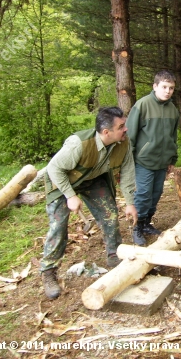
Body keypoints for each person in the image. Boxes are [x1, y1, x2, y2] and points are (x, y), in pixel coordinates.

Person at [40, 106, 138, 300]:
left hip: (93, 179)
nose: (125, 129)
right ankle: (48, 271)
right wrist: (70, 195)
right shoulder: (79, 144)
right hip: (63, 180)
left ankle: (114, 255)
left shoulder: (123, 143)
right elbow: (54, 168)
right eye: (121, 126)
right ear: (106, 132)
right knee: (59, 225)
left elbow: (127, 174)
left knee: (110, 215)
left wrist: (130, 203)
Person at [126, 70, 180, 246]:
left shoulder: (173, 110)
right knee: (143, 194)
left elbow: (173, 137)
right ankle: (137, 227)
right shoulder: (142, 105)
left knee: (156, 193)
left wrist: (172, 159)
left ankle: (147, 222)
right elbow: (130, 136)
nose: (168, 91)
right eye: (164, 87)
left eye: (171, 88)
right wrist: (128, 161)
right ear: (155, 86)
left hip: (162, 162)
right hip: (144, 161)